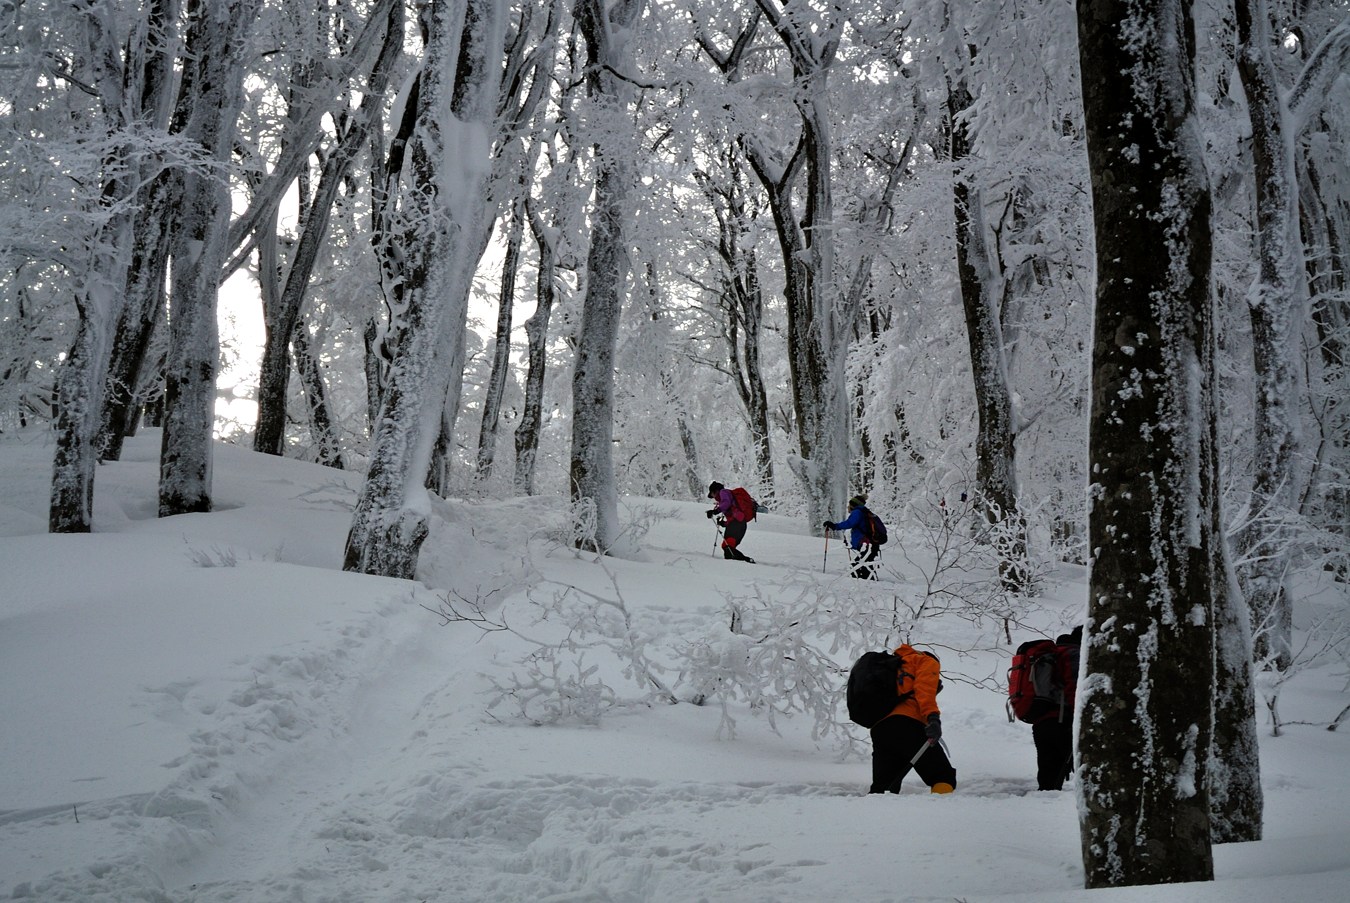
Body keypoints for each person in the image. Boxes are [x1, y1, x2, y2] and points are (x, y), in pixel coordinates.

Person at [870, 643, 957, 794]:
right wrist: (933, 718)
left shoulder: (894, 665)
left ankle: (875, 815)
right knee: (943, 776)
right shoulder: (925, 661)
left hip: (880, 729)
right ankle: (942, 813)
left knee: (884, 787)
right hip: (907, 725)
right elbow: (924, 690)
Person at [1032, 625, 1082, 791]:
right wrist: (1080, 716)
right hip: (1062, 721)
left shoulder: (1051, 654)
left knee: (1048, 775)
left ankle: (1042, 803)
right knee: (1081, 769)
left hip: (1041, 719)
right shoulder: (1074, 654)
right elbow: (1074, 688)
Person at [823, 494, 881, 579]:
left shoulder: (857, 512)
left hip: (866, 544)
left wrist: (835, 526)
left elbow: (850, 523)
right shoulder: (865, 512)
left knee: (859, 566)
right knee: (863, 565)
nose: (848, 507)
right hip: (871, 543)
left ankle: (868, 584)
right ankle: (869, 582)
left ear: (853, 505)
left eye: (849, 505)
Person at [706, 481, 755, 563]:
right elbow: (732, 516)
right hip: (739, 524)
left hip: (737, 523)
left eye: (712, 494)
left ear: (715, 491)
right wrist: (724, 523)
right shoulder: (728, 498)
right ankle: (735, 566)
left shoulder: (723, 492)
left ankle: (746, 561)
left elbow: (726, 503)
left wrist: (715, 511)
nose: (713, 497)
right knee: (728, 548)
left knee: (727, 546)